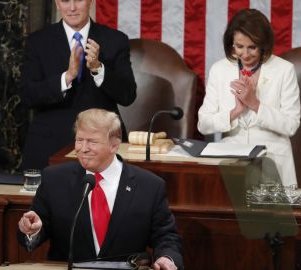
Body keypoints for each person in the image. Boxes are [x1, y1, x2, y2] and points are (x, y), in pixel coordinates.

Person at [18, 108, 183, 270]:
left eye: (92, 141)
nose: (83, 148)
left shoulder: (149, 186)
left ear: (114, 145)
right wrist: (32, 230)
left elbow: (166, 237)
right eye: (79, 140)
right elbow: (34, 228)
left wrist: (166, 258)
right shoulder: (55, 179)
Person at [18, 0, 137, 170]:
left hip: (102, 146)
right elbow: (27, 95)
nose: (72, 8)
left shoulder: (115, 40)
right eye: (65, 1)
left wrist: (98, 69)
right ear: (57, 4)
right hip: (49, 147)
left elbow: (128, 95)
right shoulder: (37, 41)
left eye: (78, 0)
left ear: (91, 2)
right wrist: (67, 77)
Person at [197, 9, 301, 186]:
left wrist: (255, 104)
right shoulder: (219, 69)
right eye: (239, 47)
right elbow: (204, 124)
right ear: (232, 44)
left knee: (270, 214)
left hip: (272, 160)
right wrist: (235, 112)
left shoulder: (284, 70)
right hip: (231, 161)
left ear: (264, 45)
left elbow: (291, 125)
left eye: (252, 47)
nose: (245, 54)